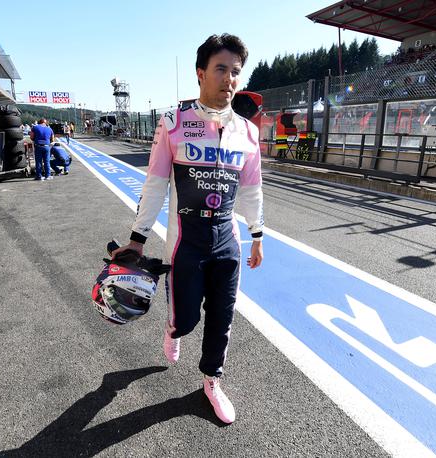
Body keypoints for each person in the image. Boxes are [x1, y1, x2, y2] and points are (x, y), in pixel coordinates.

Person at [111, 33, 263, 424]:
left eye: (235, 72)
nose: (229, 79)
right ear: (200, 73)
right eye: (221, 69)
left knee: (222, 317)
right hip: (185, 242)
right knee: (186, 321)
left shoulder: (248, 132)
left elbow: (251, 188)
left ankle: (212, 380)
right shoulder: (173, 122)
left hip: (227, 241)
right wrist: (137, 239)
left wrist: (257, 234)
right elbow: (156, 183)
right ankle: (172, 326)